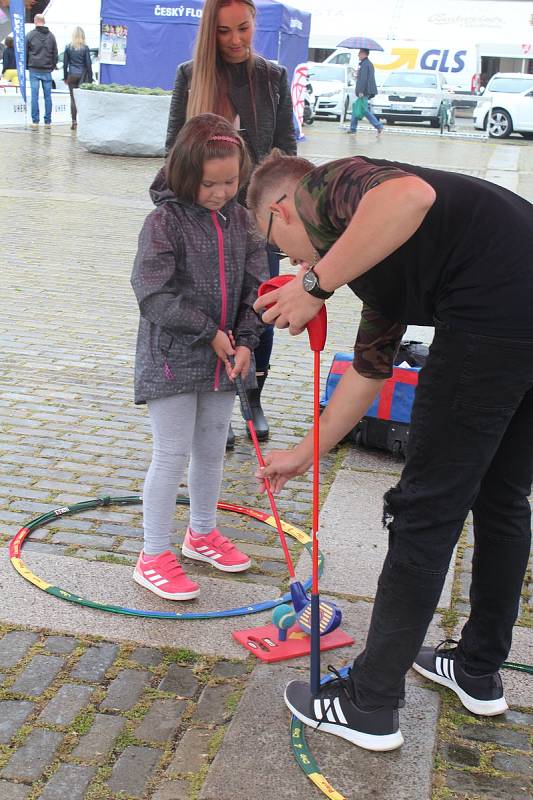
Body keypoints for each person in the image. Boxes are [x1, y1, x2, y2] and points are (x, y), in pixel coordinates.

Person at [248, 150, 533, 751]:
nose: (290, 259)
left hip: (492, 318)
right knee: (503, 498)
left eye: (281, 245)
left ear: (282, 210)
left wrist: (311, 284)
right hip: (518, 311)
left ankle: (370, 703)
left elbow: (410, 196)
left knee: (425, 510)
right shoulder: (378, 263)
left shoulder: (325, 187)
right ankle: (478, 670)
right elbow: (369, 373)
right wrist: (306, 452)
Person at [131, 113, 268, 600]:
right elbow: (152, 293)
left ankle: (202, 533)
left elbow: (257, 286)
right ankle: (151, 555)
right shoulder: (163, 222)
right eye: (211, 184)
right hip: (172, 358)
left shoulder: (243, 221)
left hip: (224, 358)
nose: (221, 192)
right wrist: (208, 331)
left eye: (231, 181)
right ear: (186, 175)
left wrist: (248, 339)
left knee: (211, 449)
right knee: (171, 454)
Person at [165, 0, 297, 448]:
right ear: (210, 33)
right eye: (224, 32)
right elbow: (173, 150)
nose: (236, 40)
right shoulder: (190, 75)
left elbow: (285, 150)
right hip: (199, 218)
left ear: (255, 24)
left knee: (258, 304)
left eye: (243, 28)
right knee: (206, 307)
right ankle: (212, 401)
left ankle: (252, 396)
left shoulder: (273, 77)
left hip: (258, 220)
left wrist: (283, 214)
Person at [26, 14, 58, 128]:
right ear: (44, 22)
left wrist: (27, 65)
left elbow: (25, 52)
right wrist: (52, 66)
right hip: (47, 70)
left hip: (34, 69)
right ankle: (48, 122)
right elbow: (55, 53)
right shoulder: (51, 36)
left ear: (35, 21)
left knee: (34, 96)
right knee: (48, 96)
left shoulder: (30, 35)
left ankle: (35, 121)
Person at [63, 27, 93, 130]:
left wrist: (65, 77)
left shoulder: (68, 47)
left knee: (73, 99)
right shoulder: (85, 48)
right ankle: (83, 121)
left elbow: (65, 64)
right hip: (82, 76)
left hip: (72, 75)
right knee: (82, 99)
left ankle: (74, 121)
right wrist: (91, 78)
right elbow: (88, 64)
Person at [349, 48, 383, 135]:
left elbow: (363, 79)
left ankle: (378, 125)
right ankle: (353, 128)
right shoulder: (367, 64)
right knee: (357, 108)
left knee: (364, 110)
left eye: (360, 53)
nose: (358, 55)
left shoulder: (365, 64)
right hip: (366, 91)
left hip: (363, 91)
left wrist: (360, 91)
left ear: (364, 54)